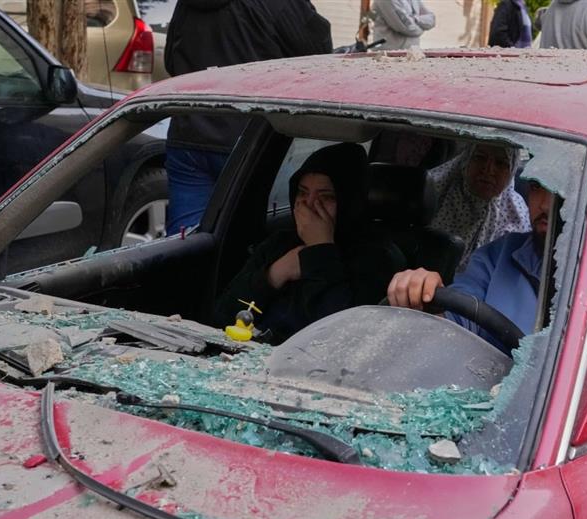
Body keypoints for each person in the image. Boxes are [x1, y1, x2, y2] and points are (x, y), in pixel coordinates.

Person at [387, 180, 587, 349]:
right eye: (538, 187)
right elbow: (452, 334)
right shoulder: (496, 257)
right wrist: (425, 299)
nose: (545, 205)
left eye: (565, 189)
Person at [163, 0, 332, 235]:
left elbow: (171, 61)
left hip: (190, 135)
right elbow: (320, 56)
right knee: (246, 241)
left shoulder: (186, 5)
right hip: (253, 141)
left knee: (185, 241)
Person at [213, 143, 406, 343]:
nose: (310, 205)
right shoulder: (279, 244)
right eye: (302, 192)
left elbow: (344, 338)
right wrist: (274, 274)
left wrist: (320, 251)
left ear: (349, 200)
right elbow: (221, 317)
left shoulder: (378, 258)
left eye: (326, 197)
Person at [428, 142, 531, 271]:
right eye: (480, 157)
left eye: (500, 163)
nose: (488, 170)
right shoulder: (434, 194)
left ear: (512, 170)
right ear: (467, 160)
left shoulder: (517, 216)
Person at [372, 0, 436, 50]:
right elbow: (407, 28)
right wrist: (422, 28)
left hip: (411, 53)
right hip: (388, 54)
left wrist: (415, 19)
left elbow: (432, 19)